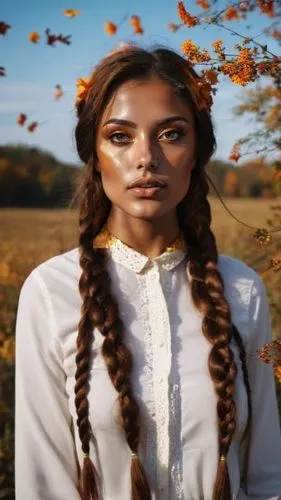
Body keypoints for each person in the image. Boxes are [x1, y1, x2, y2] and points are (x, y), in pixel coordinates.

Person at [15, 45, 281, 500]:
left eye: (171, 134)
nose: (147, 159)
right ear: (94, 154)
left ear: (198, 150)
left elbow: (266, 476)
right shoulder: (51, 291)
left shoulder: (241, 291)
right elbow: (43, 483)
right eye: (120, 136)